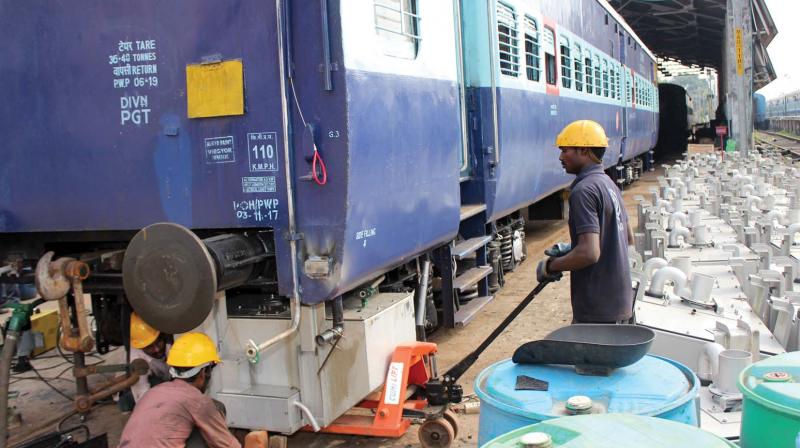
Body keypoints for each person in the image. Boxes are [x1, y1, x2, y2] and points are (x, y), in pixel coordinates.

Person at [536, 120, 634, 324]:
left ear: (584, 150)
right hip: (621, 307)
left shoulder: (583, 191)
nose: (561, 157)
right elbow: (628, 237)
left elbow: (590, 253)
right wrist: (573, 248)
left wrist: (553, 265)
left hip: (598, 313)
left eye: (565, 150)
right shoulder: (609, 184)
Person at [118, 332, 266, 448]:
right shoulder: (198, 402)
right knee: (208, 428)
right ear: (203, 373)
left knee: (211, 413)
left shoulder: (153, 393)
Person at [129, 312, 172, 403]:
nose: (157, 349)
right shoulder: (136, 358)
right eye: (149, 347)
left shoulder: (172, 340)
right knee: (125, 403)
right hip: (155, 379)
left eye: (158, 342)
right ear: (140, 347)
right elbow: (142, 392)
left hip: (170, 377)